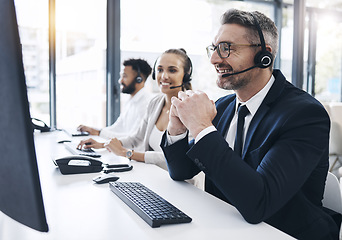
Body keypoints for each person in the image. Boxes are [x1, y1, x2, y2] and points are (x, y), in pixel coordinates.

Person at [161, 9, 339, 240]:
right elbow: (181, 171)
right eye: (214, 49)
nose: (215, 59)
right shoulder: (223, 107)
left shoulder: (304, 115)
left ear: (264, 55)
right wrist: (177, 129)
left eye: (226, 48)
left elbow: (259, 203)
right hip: (225, 226)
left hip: (283, 233)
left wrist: (203, 128)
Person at [81, 48, 193, 171]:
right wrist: (104, 145)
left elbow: (177, 158)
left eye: (172, 70)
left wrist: (126, 153)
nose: (164, 76)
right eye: (160, 70)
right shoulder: (155, 103)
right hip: (155, 175)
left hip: (183, 184)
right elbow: (136, 138)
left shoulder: (191, 108)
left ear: (186, 76)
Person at [77, 58, 152, 149]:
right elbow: (117, 127)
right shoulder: (131, 100)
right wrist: (94, 130)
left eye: (124, 76)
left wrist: (99, 133)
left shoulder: (146, 104)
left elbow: (133, 139)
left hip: (132, 156)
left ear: (139, 79)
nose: (120, 81)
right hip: (123, 151)